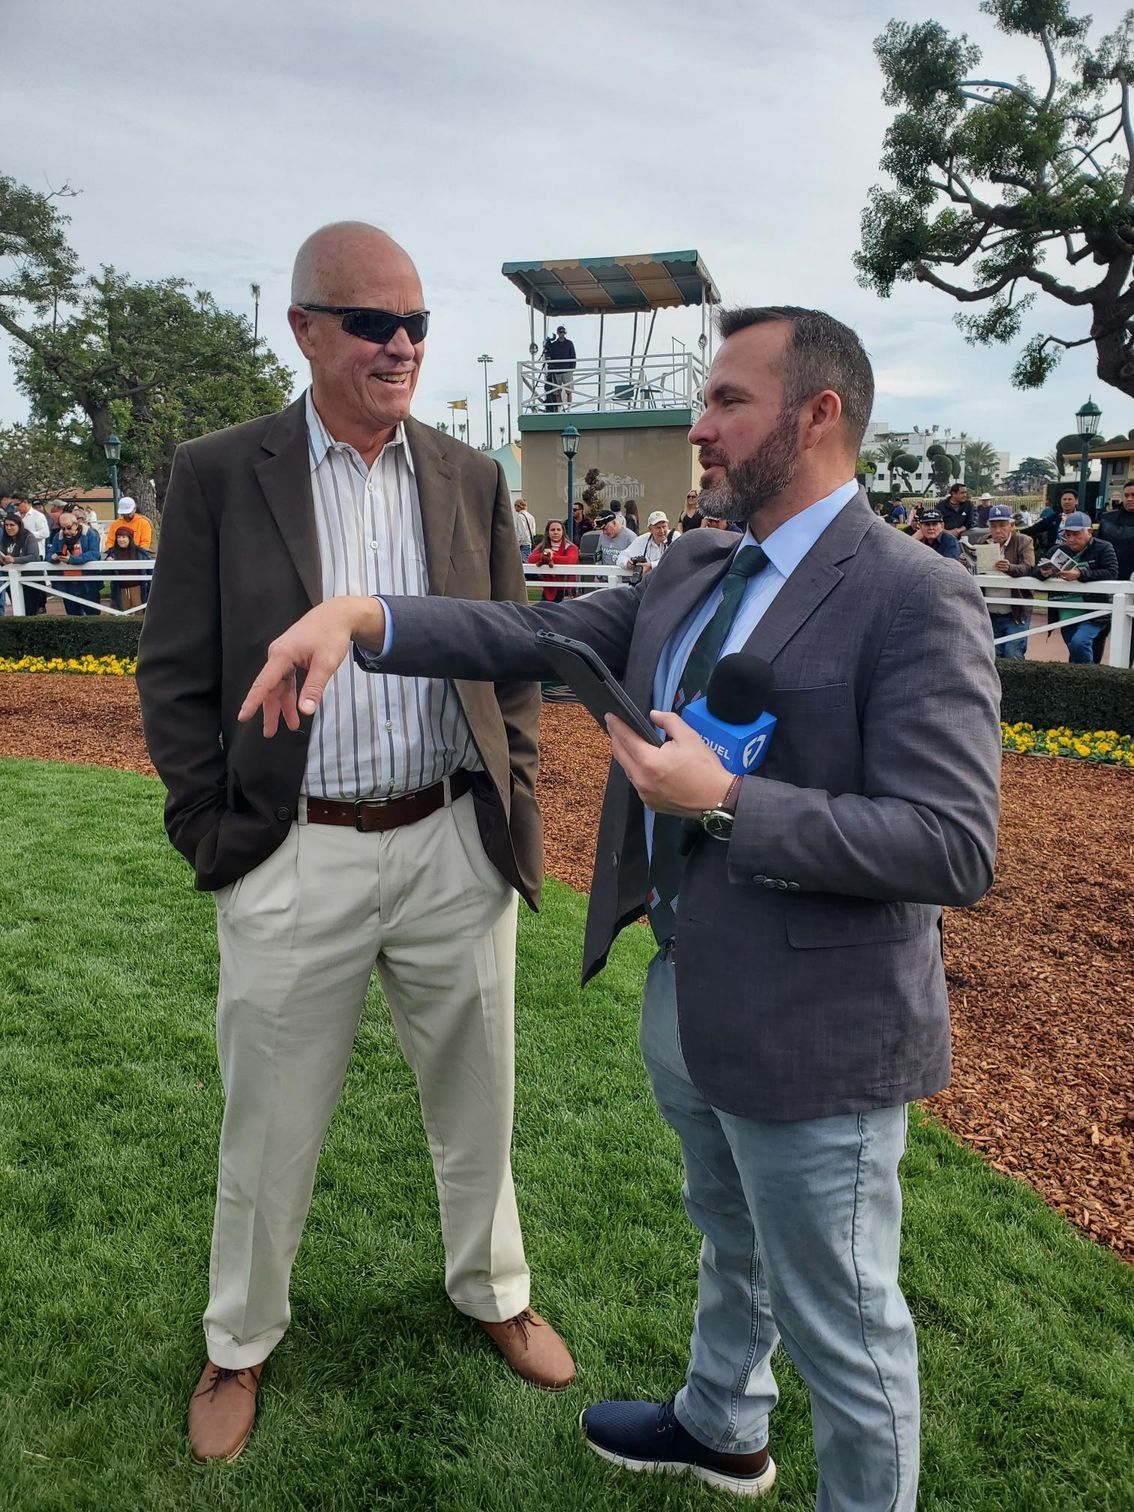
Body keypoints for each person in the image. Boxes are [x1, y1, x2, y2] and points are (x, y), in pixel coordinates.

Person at [241, 303, 1001, 1510]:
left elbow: (954, 845)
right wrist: (363, 618)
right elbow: (532, 632)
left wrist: (730, 800)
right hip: (690, 991)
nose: (698, 428)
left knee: (850, 1334)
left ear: (819, 416)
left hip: (823, 1031)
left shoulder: (917, 595)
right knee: (729, 1233)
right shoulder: (694, 563)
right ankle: (721, 1425)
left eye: (728, 403)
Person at [135, 221, 574, 1466]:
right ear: (306, 330)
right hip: (293, 849)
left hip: (449, 843)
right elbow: (172, 676)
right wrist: (213, 830)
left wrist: (511, 804)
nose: (402, 346)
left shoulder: (471, 477)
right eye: (375, 323)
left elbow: (515, 659)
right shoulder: (221, 471)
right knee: (266, 1118)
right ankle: (240, 1339)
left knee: (479, 1102)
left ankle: (495, 1291)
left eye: (418, 324)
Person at [1034, 510, 1120, 662]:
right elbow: (1034, 570)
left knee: (1079, 643)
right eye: (1067, 535)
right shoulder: (1057, 550)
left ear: (1089, 532)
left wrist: (1081, 574)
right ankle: (1086, 680)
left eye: (1076, 534)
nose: (1071, 539)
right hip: (1066, 612)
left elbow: (1112, 572)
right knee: (1075, 651)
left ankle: (1091, 680)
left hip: (1094, 612)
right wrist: (1044, 573)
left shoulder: (1104, 547)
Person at [978, 503, 1035, 658]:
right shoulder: (983, 541)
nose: (998, 530)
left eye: (1002, 525)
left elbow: (1028, 566)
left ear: (1012, 525)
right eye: (993, 526)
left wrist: (1010, 568)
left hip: (1015, 611)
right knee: (991, 655)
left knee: (1013, 653)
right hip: (989, 612)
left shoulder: (1024, 541)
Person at [44, 510, 102, 614]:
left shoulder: (89, 534)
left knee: (93, 615)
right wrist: (55, 557)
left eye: (69, 527)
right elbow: (48, 555)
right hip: (68, 584)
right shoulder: (58, 537)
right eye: (63, 528)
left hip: (87, 583)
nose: (66, 531)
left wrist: (72, 560)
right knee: (73, 617)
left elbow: (94, 554)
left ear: (76, 524)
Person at [8, 495, 48, 614]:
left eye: (17, 504)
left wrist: (27, 536)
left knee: (37, 582)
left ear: (25, 502)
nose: (16, 507)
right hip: (19, 554)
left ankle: (40, 605)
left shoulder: (38, 516)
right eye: (14, 505)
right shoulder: (16, 516)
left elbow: (45, 533)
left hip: (36, 553)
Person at [0, 506, 41, 614]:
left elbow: (34, 556)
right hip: (12, 578)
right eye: (6, 525)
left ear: (19, 525)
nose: (8, 528)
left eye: (12, 525)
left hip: (31, 579)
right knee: (18, 611)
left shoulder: (29, 537)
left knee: (30, 611)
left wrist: (14, 559)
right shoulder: (4, 539)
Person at [103, 524, 153, 611]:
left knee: (139, 614)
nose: (121, 540)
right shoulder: (112, 553)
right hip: (120, 589)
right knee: (122, 614)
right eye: (118, 537)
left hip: (138, 588)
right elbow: (105, 573)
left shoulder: (140, 552)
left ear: (129, 538)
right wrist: (108, 564)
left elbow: (150, 571)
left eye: (123, 537)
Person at [528, 519, 579, 602]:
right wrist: (543, 555)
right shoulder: (542, 547)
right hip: (548, 588)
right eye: (552, 530)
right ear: (548, 533)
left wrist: (551, 555)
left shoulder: (571, 547)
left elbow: (570, 561)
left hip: (565, 591)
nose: (555, 532)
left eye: (558, 529)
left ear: (563, 532)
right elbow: (531, 559)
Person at [616, 510, 675, 575]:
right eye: (658, 528)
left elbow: (676, 559)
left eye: (664, 526)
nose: (662, 531)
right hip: (648, 583)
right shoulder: (642, 540)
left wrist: (651, 565)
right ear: (650, 529)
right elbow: (621, 557)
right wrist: (627, 564)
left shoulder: (675, 537)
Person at [543, 324, 576, 411]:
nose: (561, 334)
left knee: (569, 391)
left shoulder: (569, 343)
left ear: (565, 333)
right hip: (557, 371)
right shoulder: (553, 345)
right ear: (558, 333)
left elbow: (573, 355)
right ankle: (559, 408)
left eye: (563, 332)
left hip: (567, 370)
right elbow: (549, 356)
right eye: (560, 332)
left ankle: (569, 408)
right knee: (557, 392)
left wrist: (572, 368)